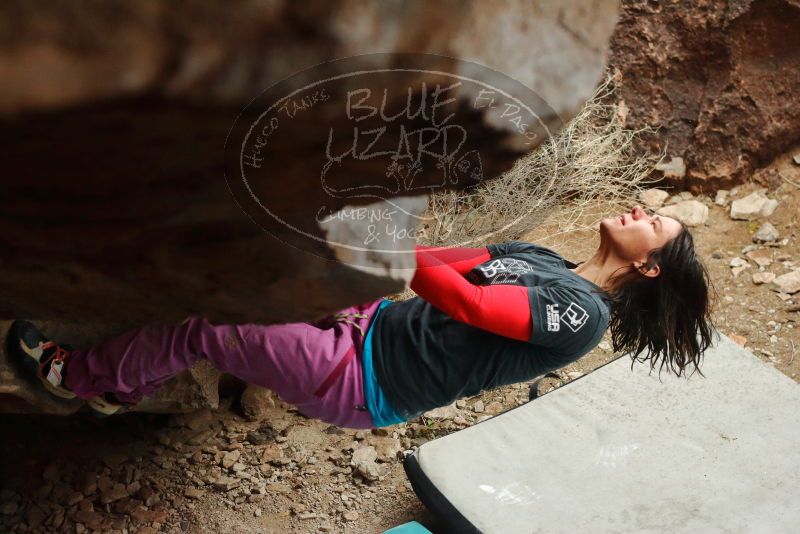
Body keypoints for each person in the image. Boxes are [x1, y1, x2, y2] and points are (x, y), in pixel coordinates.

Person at [8, 205, 715, 428]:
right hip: (372, 323)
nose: (638, 210)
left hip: (365, 380)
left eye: (652, 222)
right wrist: (364, 246)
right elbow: (447, 258)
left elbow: (467, 299)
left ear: (648, 266)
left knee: (209, 328)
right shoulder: (546, 259)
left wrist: (392, 246)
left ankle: (85, 379)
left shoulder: (579, 315)